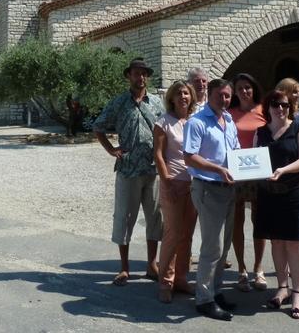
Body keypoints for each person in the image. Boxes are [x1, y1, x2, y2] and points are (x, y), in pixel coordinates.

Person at [94, 57, 165, 286]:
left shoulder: (156, 103)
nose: (140, 77)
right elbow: (98, 126)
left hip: (153, 168)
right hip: (128, 169)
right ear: (129, 76)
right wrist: (111, 149)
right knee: (125, 216)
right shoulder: (118, 103)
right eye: (136, 73)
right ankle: (124, 267)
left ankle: (152, 264)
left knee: (155, 217)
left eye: (144, 73)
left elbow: (166, 131)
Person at [254, 90, 299, 319]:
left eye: (284, 105)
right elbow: (254, 159)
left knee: (295, 244)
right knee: (277, 242)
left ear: (290, 107)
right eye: (275, 105)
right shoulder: (260, 132)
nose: (280, 109)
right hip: (270, 194)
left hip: (295, 193)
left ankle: (297, 294)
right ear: (268, 107)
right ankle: (281, 287)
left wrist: (283, 170)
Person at [183, 78, 238, 321]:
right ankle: (204, 299)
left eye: (228, 96)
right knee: (211, 247)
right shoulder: (197, 122)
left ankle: (215, 291)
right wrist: (218, 170)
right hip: (208, 187)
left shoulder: (228, 120)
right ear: (210, 95)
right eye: (220, 96)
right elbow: (189, 157)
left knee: (224, 245)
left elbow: (235, 151)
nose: (224, 100)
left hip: (228, 188)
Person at [153, 80, 199, 303]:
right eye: (179, 93)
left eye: (187, 93)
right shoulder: (164, 122)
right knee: (172, 233)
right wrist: (167, 182)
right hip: (174, 182)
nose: (183, 96)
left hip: (195, 184)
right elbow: (159, 155)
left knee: (187, 235)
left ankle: (181, 277)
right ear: (171, 97)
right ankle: (165, 282)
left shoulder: (194, 120)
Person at [227, 73, 267, 292]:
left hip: (258, 173)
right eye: (240, 88)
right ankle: (242, 269)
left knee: (259, 221)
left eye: (248, 88)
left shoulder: (264, 111)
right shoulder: (229, 113)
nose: (244, 91)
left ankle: (258, 269)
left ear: (254, 89)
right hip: (236, 173)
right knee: (237, 222)